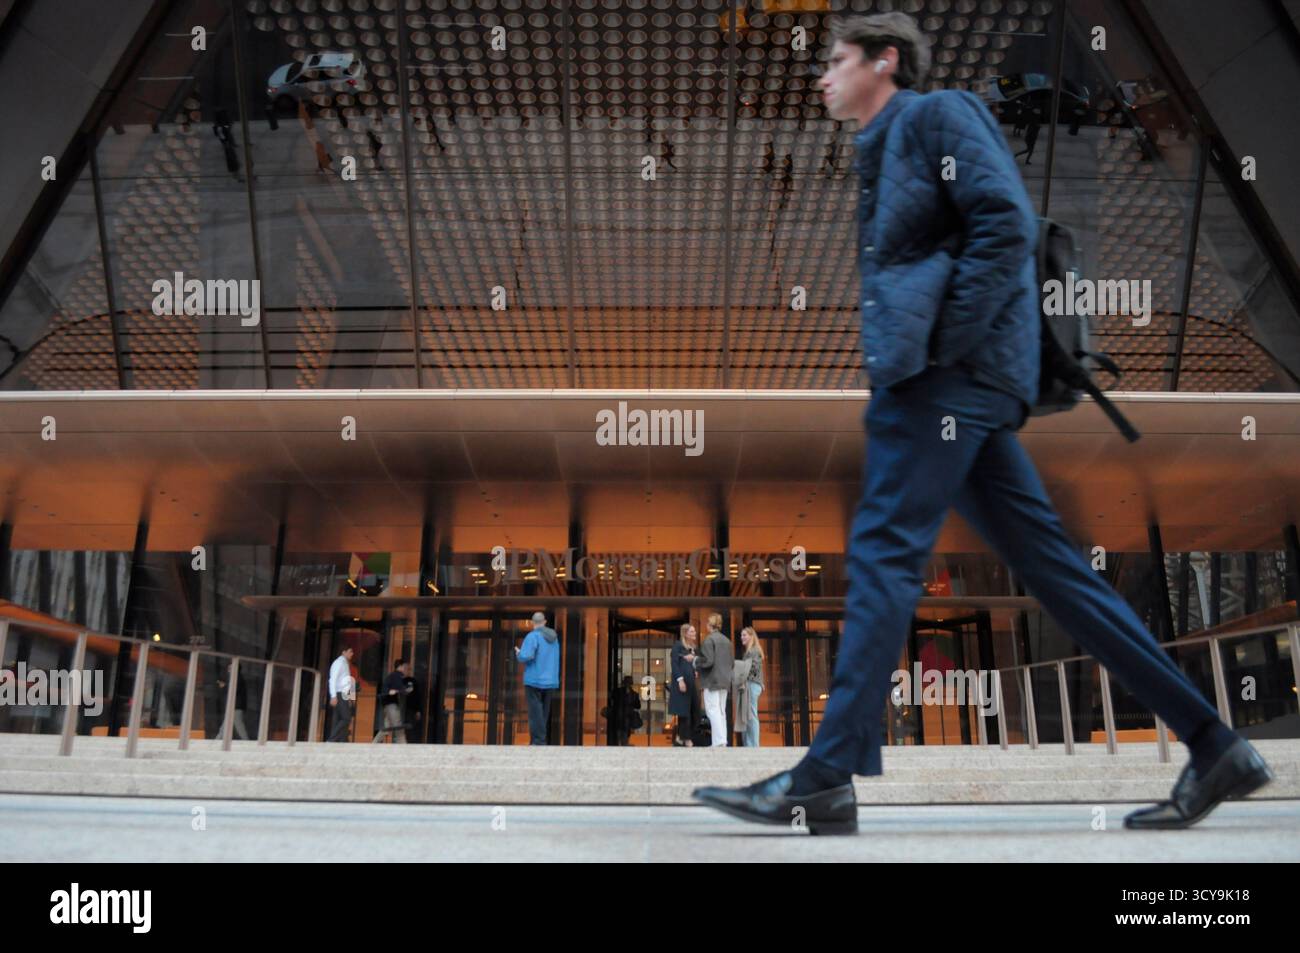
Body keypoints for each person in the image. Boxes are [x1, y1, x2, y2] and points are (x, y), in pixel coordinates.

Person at [693, 11, 1271, 835]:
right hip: (951, 388)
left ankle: (822, 778)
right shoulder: (883, 147)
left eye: (838, 60)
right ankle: (1216, 743)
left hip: (941, 386)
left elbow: (1004, 222)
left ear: (884, 62)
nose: (822, 75)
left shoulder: (938, 115)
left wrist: (945, 346)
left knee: (885, 552)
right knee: (1058, 575)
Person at [516, 612, 560, 745]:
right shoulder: (554, 639)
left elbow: (527, 656)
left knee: (535, 713)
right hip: (550, 681)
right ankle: (537, 740)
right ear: (545, 622)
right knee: (543, 713)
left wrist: (519, 654)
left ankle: (538, 741)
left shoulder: (533, 636)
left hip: (534, 680)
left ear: (532, 622)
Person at [694, 613, 734, 748]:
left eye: (707, 623)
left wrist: (695, 661)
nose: (705, 626)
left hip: (711, 680)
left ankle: (719, 741)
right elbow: (731, 662)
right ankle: (722, 740)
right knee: (721, 711)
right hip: (725, 680)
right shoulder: (727, 641)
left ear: (710, 625)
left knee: (712, 710)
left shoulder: (708, 640)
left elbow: (708, 661)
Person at [733, 627, 765, 748]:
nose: (742, 637)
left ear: (751, 636)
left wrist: (740, 670)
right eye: (741, 635)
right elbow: (757, 669)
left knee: (751, 715)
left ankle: (753, 745)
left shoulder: (753, 651)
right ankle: (749, 744)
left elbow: (754, 669)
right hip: (750, 684)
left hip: (751, 685)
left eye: (744, 635)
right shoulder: (750, 651)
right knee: (747, 715)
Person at [669, 624, 700, 747]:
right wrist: (680, 680)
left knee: (695, 711)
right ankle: (687, 739)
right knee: (684, 712)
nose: (694, 633)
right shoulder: (678, 646)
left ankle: (681, 737)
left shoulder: (693, 648)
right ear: (685, 633)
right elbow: (675, 664)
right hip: (682, 684)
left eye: (694, 631)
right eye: (692, 631)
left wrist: (695, 670)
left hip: (692, 684)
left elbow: (694, 663)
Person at [372, 658, 410, 744]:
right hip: (391, 705)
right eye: (405, 667)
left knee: (387, 727)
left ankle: (373, 744)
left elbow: (394, 689)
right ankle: (404, 746)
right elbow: (402, 688)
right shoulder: (397, 676)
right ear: (400, 666)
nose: (406, 669)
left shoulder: (392, 676)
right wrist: (407, 689)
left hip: (387, 704)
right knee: (398, 726)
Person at [327, 646, 355, 743]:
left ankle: (341, 741)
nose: (352, 654)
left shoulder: (345, 663)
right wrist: (333, 695)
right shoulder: (339, 663)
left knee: (339, 718)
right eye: (350, 651)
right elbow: (333, 679)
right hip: (339, 693)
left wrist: (350, 698)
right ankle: (332, 740)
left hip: (343, 694)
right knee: (346, 718)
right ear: (344, 652)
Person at [216, 661, 249, 740]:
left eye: (230, 668)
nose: (228, 670)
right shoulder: (236, 678)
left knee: (238, 725)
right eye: (228, 668)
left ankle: (247, 741)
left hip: (236, 706)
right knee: (226, 725)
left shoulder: (237, 678)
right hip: (234, 706)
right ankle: (217, 740)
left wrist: (224, 686)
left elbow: (233, 690)